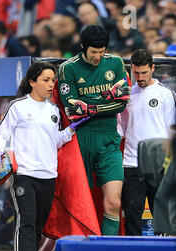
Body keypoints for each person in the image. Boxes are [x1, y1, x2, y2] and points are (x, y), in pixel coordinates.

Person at [0, 61, 86, 251]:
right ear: (32, 82)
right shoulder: (18, 106)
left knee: (38, 225)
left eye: (53, 80)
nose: (51, 84)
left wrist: (71, 129)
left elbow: (55, 140)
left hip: (48, 175)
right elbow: (1, 134)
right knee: (26, 220)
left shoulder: (54, 110)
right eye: (45, 80)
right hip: (23, 173)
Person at [57, 25, 131, 236]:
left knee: (113, 203)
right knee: (80, 206)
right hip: (80, 141)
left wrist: (89, 106)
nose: (98, 56)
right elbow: (72, 111)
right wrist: (108, 96)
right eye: (93, 52)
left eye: (102, 51)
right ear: (82, 48)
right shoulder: (68, 68)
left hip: (109, 141)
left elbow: (122, 104)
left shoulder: (115, 63)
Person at [118, 49, 176, 235]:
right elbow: (122, 129)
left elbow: (171, 130)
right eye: (136, 73)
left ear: (153, 68)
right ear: (131, 70)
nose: (140, 77)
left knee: (162, 214)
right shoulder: (126, 97)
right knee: (132, 214)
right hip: (131, 162)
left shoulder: (165, 94)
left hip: (158, 163)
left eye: (144, 72)